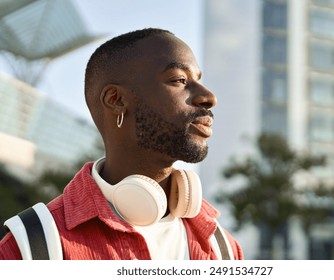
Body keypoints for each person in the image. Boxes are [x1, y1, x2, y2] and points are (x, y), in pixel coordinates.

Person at [0, 28, 244, 260]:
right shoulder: (29, 247)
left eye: (198, 80)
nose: (209, 98)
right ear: (116, 100)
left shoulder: (224, 249)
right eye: (179, 80)